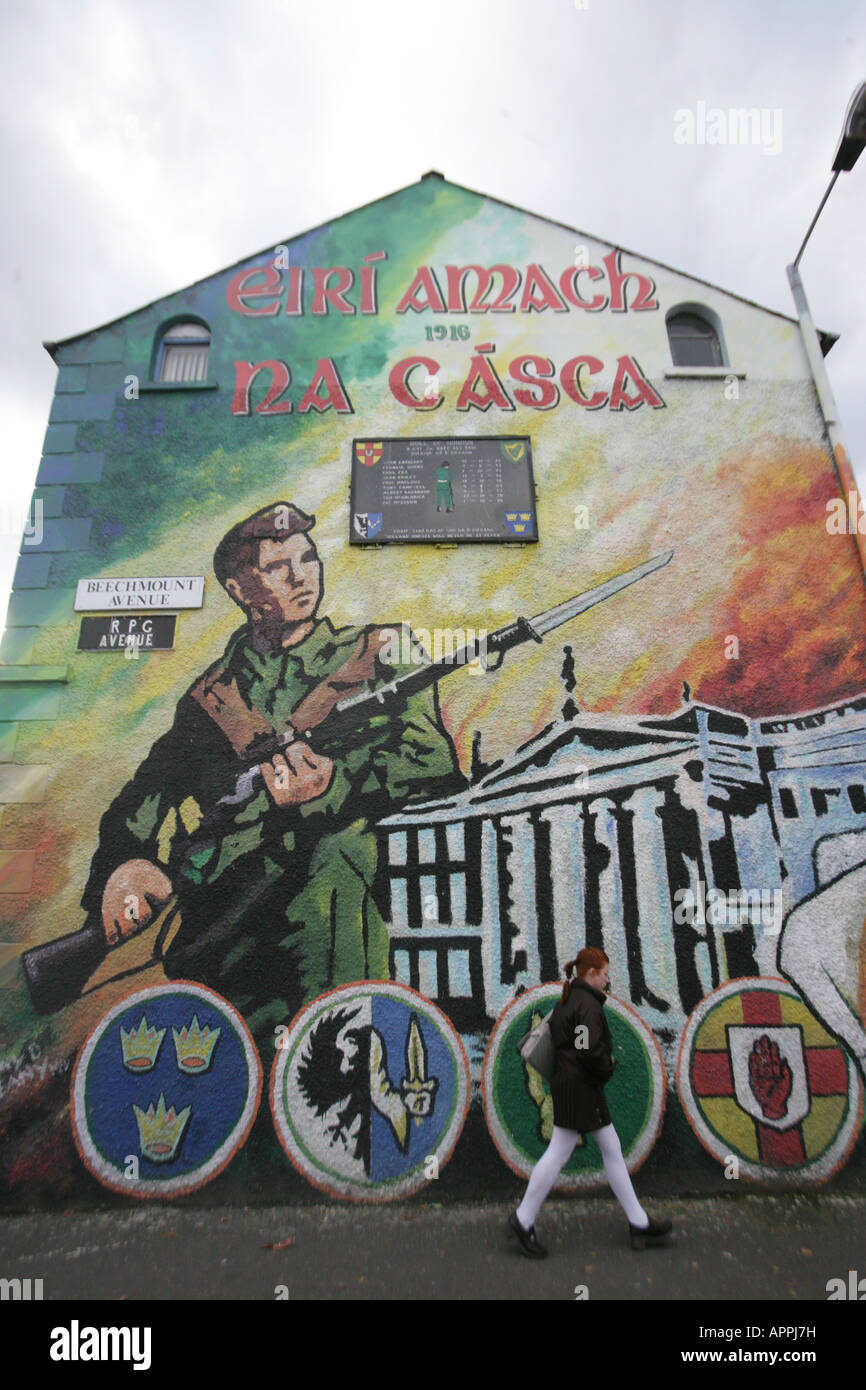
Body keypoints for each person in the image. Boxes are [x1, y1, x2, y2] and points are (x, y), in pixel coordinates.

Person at [82, 501, 466, 1050]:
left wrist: (336, 782)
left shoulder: (381, 652)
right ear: (240, 590)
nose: (301, 575)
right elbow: (143, 797)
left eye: (308, 558)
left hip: (337, 913)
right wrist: (125, 862)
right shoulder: (211, 699)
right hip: (221, 926)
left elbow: (431, 763)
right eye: (277, 566)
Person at [508, 947, 672, 1257]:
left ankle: (638, 1222)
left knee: (609, 1148)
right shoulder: (586, 1005)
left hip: (572, 1087)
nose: (609, 981)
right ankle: (523, 1219)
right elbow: (585, 1048)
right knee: (560, 1153)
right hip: (580, 1089)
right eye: (606, 974)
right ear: (591, 974)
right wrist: (607, 1066)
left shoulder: (570, 999)